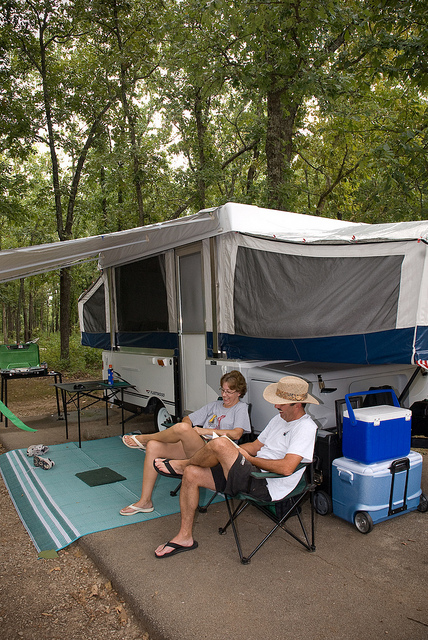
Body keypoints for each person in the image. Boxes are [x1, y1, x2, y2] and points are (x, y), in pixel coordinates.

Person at [152, 375, 319, 558]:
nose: (276, 406)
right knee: (193, 472)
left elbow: (287, 468)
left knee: (221, 442)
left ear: (297, 405)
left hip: (267, 484)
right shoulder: (278, 420)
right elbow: (254, 447)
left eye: (281, 403)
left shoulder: (306, 427)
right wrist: (233, 451)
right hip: (250, 472)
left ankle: (182, 464)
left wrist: (245, 457)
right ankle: (184, 537)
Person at [119, 370, 251, 516]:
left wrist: (203, 430)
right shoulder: (215, 405)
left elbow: (237, 433)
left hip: (215, 456)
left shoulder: (240, 408)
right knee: (154, 446)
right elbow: (188, 419)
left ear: (239, 392)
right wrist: (189, 428)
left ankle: (145, 438)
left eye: (229, 392)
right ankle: (145, 502)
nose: (224, 395)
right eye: (223, 390)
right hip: (198, 447)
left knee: (180, 429)